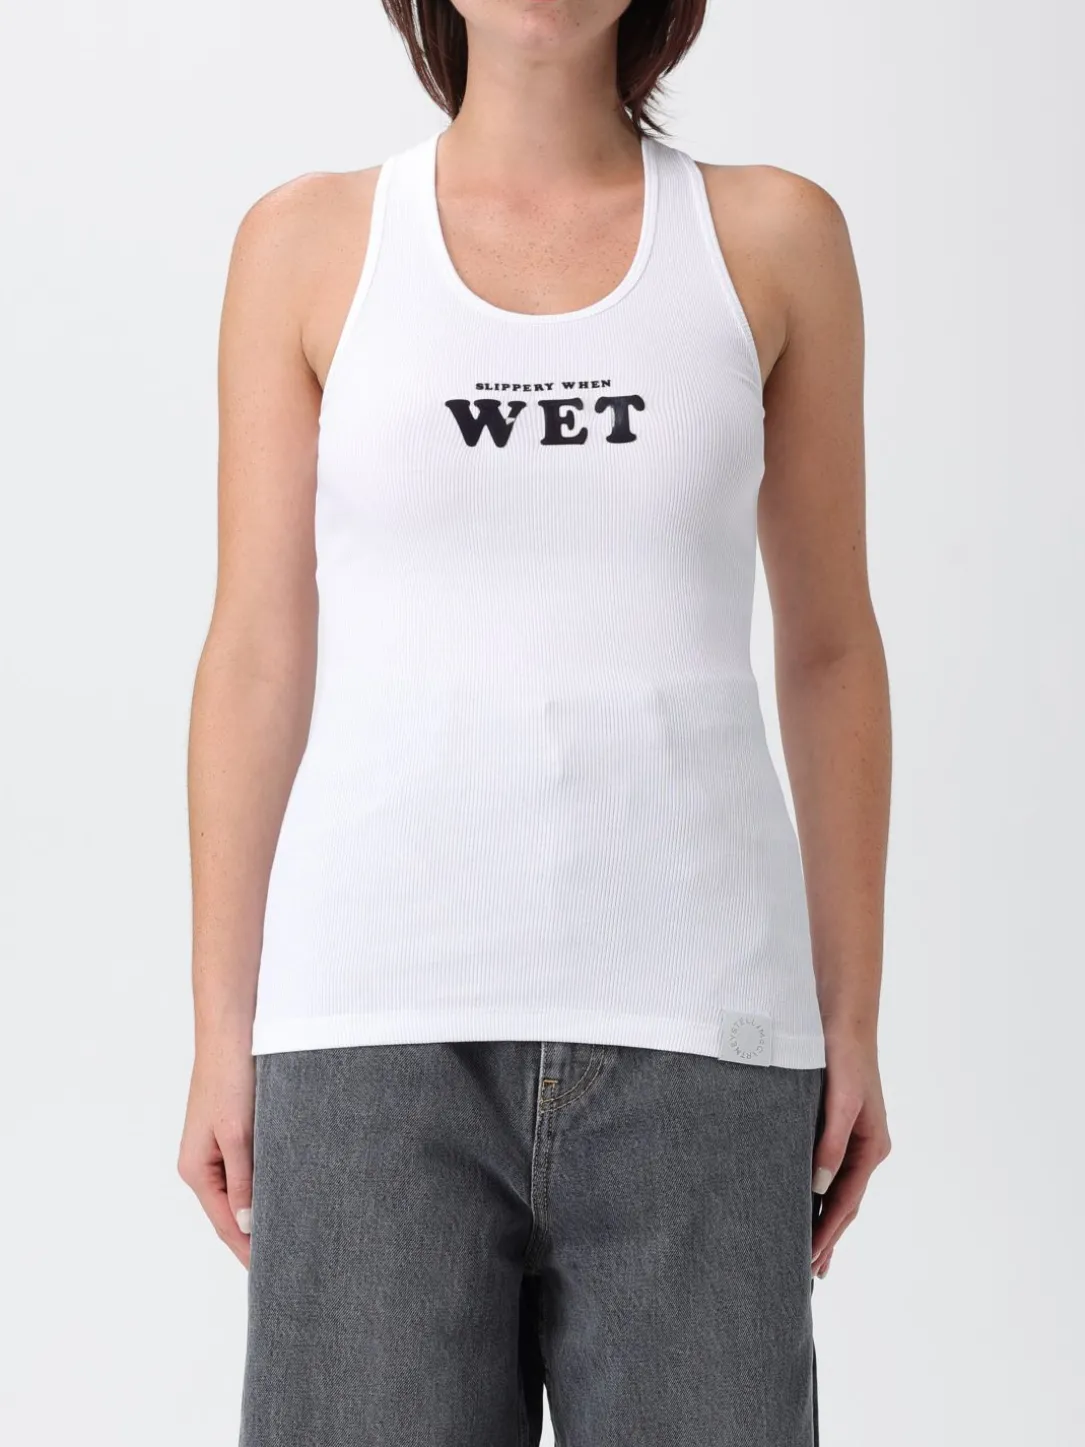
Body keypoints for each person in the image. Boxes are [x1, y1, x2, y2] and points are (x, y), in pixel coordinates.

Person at [178, 0, 892, 1442]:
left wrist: (853, 1013)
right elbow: (255, 652)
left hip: (701, 1025)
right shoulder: (306, 243)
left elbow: (829, 647)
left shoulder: (773, 238)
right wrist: (219, 1028)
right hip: (373, 1034)